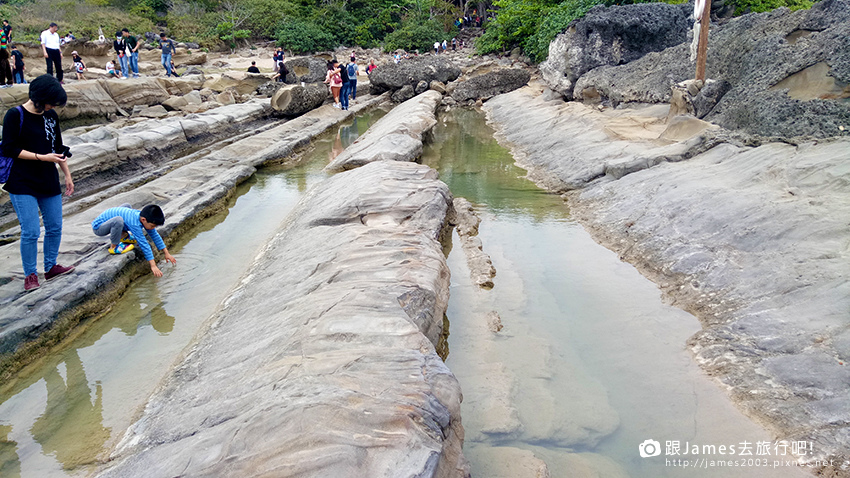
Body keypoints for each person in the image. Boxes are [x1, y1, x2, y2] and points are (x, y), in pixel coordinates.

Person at [2, 75, 74, 291]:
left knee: (55, 227)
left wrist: (67, 175)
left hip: (48, 179)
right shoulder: (15, 116)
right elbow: (9, 149)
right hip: (22, 181)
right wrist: (42, 157)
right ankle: (30, 275)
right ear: (39, 98)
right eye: (51, 102)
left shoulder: (50, 116)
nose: (53, 107)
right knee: (31, 231)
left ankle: (50, 267)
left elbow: (58, 147)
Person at [91, 204, 176, 277]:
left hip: (111, 221)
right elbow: (143, 244)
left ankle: (123, 235)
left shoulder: (142, 217)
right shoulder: (135, 223)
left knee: (127, 207)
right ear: (143, 220)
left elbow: (155, 235)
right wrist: (153, 266)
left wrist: (166, 253)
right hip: (99, 227)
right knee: (118, 220)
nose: (153, 228)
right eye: (153, 226)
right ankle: (114, 246)